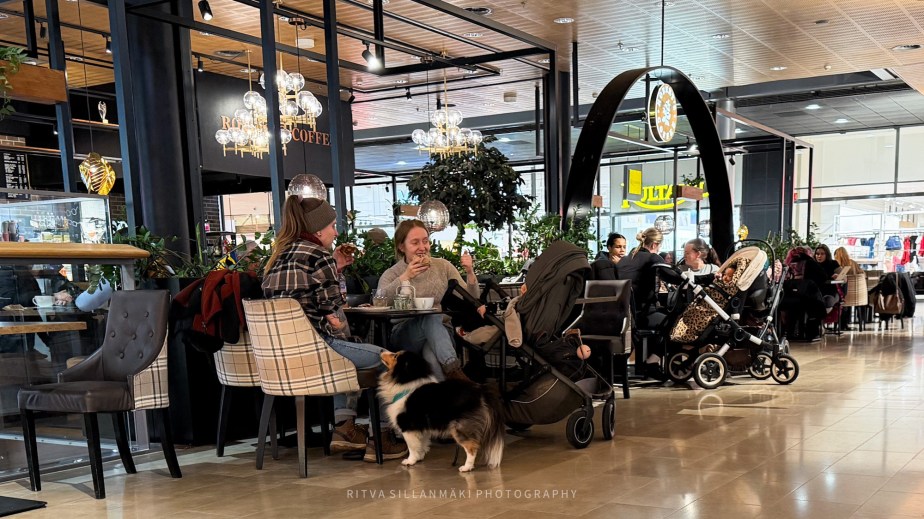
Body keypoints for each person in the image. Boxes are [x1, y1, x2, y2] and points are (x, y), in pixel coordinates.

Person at [262, 195, 407, 462]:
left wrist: (335, 267)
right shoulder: (319, 255)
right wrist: (333, 270)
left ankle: (345, 429)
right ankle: (383, 437)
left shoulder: (277, 256)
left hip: (280, 361)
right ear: (318, 230)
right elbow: (334, 316)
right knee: (389, 361)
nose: (336, 232)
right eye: (332, 226)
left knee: (349, 350)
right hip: (316, 352)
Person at [378, 219, 479, 381]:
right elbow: (379, 300)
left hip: (440, 333)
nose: (422, 247)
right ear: (402, 247)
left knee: (431, 355)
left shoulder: (442, 266)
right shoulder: (393, 273)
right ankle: (458, 377)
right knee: (430, 316)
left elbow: (471, 298)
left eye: (425, 241)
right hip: (405, 334)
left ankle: (449, 387)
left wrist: (470, 272)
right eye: (415, 242)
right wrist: (406, 276)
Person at [614, 227, 664, 316]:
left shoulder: (623, 260)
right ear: (654, 245)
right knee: (673, 319)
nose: (659, 250)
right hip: (643, 312)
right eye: (659, 247)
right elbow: (673, 277)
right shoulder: (653, 258)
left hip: (622, 312)